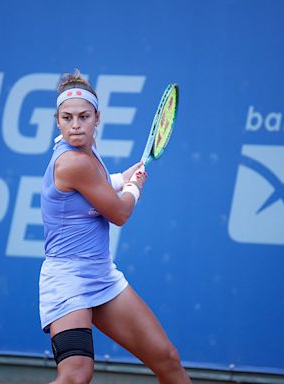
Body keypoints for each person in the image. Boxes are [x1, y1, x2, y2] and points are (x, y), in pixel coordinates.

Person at [39, 69, 191, 384]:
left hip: (102, 276)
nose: (75, 125)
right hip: (67, 280)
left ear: (97, 118)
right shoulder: (73, 162)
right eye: (67, 118)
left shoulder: (87, 152)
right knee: (76, 376)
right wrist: (134, 188)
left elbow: (96, 186)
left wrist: (123, 177)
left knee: (167, 358)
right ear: (57, 121)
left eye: (83, 117)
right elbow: (119, 213)